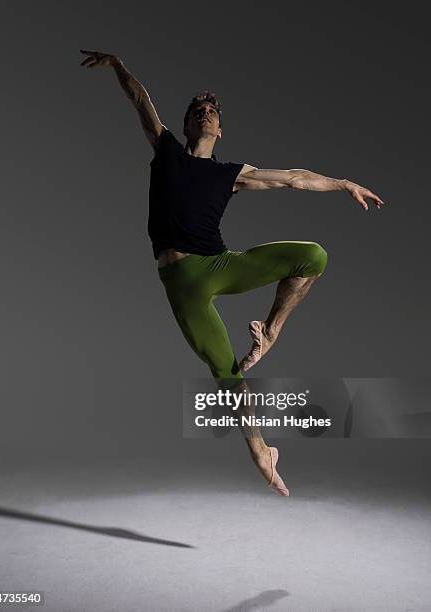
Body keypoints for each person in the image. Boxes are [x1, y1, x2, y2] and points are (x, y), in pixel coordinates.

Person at [80, 50, 385, 496]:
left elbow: (295, 178)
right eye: (197, 111)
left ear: (219, 129)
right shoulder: (165, 148)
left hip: (220, 265)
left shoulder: (232, 174)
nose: (205, 115)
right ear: (186, 126)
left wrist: (344, 184)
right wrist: (119, 65)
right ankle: (262, 453)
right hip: (181, 283)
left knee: (313, 256)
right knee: (225, 373)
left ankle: (272, 333)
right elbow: (139, 99)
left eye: (212, 112)